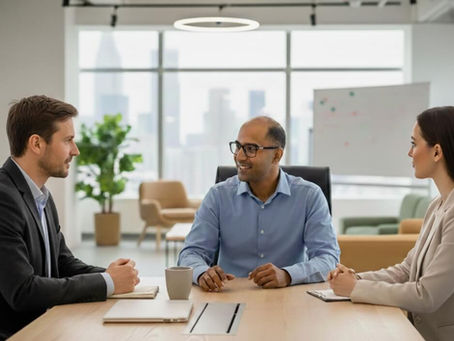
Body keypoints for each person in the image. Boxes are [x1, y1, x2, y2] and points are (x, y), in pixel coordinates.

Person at [0, 95, 139, 339]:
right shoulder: (4, 198)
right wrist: (107, 281)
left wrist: (112, 275)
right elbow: (23, 291)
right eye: (68, 140)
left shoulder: (41, 196)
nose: (75, 151)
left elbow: (63, 263)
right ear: (36, 143)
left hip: (48, 326)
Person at [328, 106, 454, 341]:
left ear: (437, 151)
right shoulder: (437, 205)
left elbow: (427, 295)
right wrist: (356, 279)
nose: (410, 152)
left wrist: (355, 289)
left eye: (414, 143)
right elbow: (407, 270)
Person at [178, 116, 340, 292]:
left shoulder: (309, 196)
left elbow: (328, 258)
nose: (239, 156)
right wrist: (202, 273)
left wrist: (287, 275)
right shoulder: (218, 196)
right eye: (238, 147)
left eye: (250, 149)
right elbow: (191, 253)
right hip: (229, 295)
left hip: (289, 297)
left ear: (277, 155)